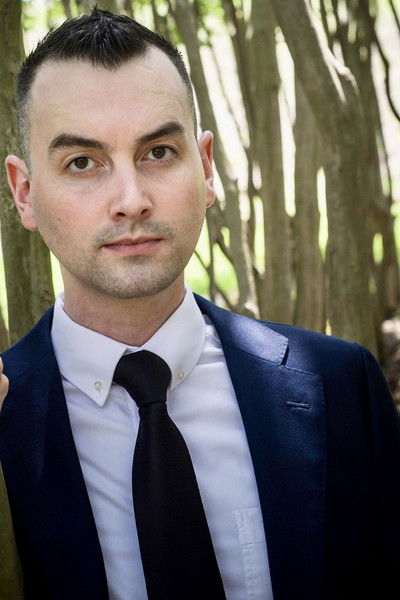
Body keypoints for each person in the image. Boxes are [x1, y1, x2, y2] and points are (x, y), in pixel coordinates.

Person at [0, 8, 399, 600]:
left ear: (206, 168)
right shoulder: (6, 423)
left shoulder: (342, 387)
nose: (131, 200)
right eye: (82, 163)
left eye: (159, 151)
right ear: (25, 193)